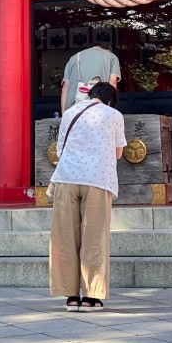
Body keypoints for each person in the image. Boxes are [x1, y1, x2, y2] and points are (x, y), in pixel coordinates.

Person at [48, 80, 126, 311]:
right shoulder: (113, 114)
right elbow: (119, 152)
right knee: (94, 237)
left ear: (90, 94)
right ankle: (92, 296)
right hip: (97, 179)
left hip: (67, 178)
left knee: (65, 238)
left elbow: (60, 149)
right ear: (111, 99)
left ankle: (70, 296)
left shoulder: (70, 112)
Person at [60, 41, 120, 115]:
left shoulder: (74, 57)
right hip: (99, 106)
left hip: (74, 107)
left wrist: (63, 112)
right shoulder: (112, 57)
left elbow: (65, 86)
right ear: (108, 50)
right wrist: (111, 109)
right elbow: (112, 83)